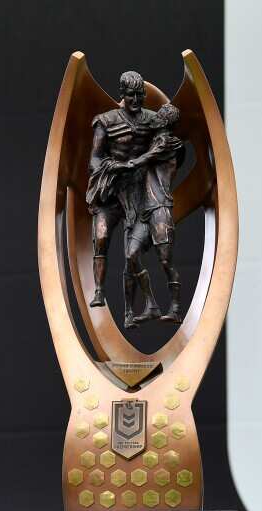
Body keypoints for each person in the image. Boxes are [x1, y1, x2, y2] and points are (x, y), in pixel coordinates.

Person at [86, 71, 185, 325]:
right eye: (131, 95)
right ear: (122, 95)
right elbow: (95, 160)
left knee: (134, 253)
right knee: (101, 235)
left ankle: (145, 308)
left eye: (140, 94)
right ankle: (99, 290)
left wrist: (171, 150)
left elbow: (169, 145)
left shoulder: (154, 121)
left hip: (141, 195)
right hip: (112, 189)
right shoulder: (105, 121)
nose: (136, 99)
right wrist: (116, 166)